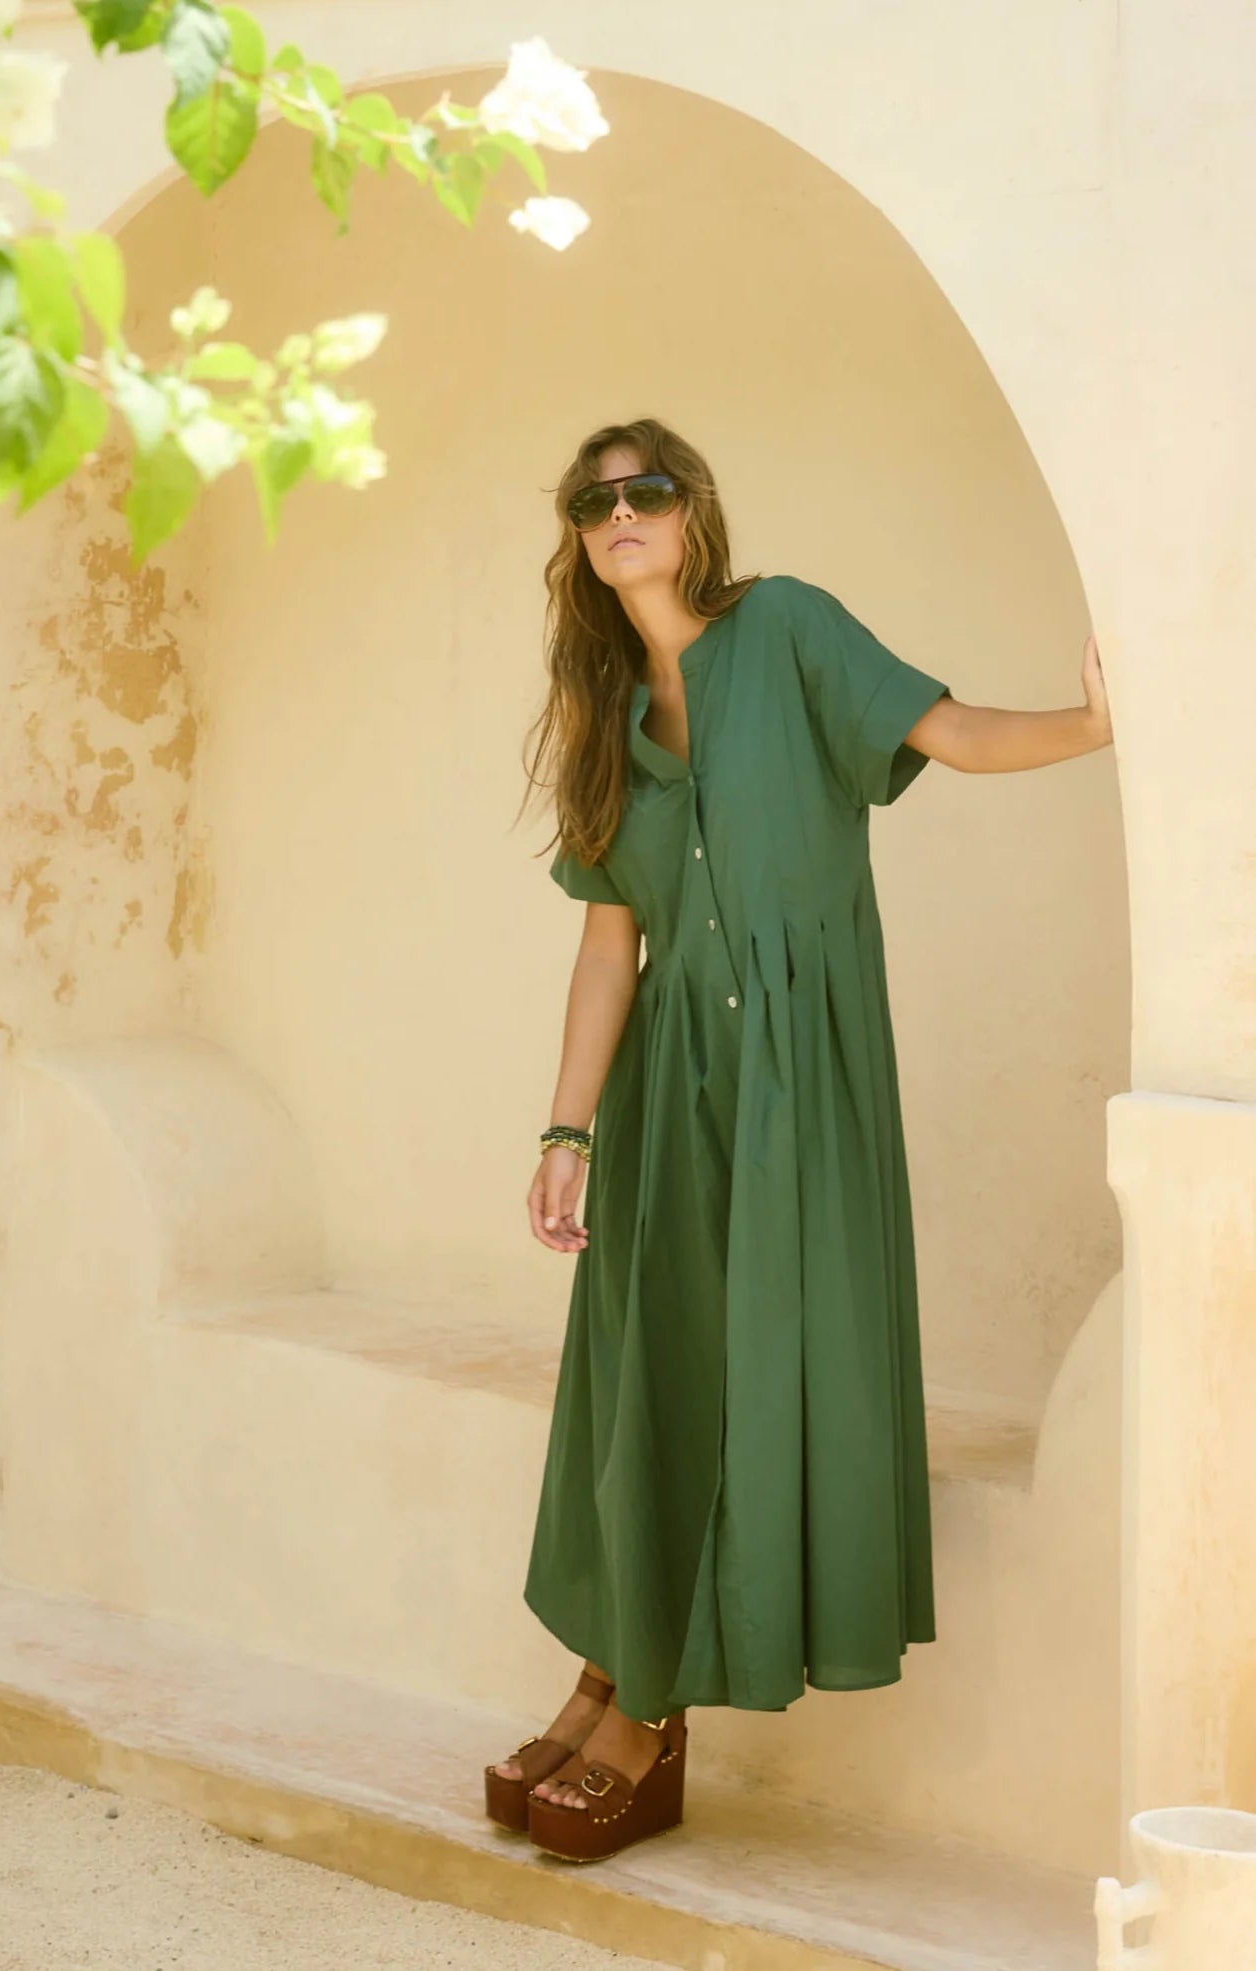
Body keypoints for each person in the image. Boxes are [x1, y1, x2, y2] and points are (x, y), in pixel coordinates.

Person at [484, 417, 1114, 1863]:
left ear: (693, 512)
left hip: (795, 1084)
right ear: (578, 538)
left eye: (645, 490)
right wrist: (566, 1125)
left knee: (739, 1360)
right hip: (666, 1087)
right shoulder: (602, 705)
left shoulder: (789, 630)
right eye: (594, 502)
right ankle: (607, 1665)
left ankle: (651, 1715)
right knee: (641, 1372)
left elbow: (948, 734)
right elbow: (607, 945)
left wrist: (1090, 724)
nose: (620, 513)